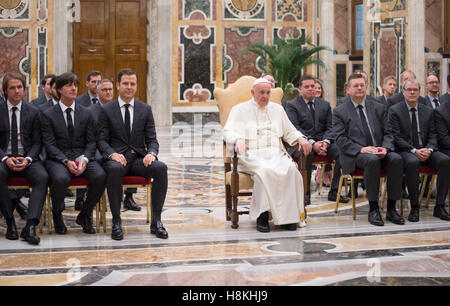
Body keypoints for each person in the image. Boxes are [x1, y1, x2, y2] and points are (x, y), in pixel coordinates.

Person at [223, 77, 312, 233]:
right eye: (261, 93)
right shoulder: (239, 110)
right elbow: (227, 131)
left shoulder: (277, 109)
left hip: (275, 152)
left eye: (268, 93)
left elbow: (289, 131)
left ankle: (288, 218)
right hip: (250, 153)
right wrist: (237, 139)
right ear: (252, 92)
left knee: (291, 170)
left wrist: (300, 138)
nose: (265, 96)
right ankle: (262, 216)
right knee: (264, 172)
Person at [98, 69, 168, 240]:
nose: (129, 87)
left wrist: (151, 153)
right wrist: (111, 154)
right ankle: (116, 221)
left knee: (160, 168)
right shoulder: (107, 109)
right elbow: (101, 140)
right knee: (113, 170)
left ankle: (157, 221)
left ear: (136, 86)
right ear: (118, 86)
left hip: (138, 159)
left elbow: (152, 139)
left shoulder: (145, 109)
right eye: (125, 84)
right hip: (117, 159)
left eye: (132, 84)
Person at [333, 73, 404, 226]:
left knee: (397, 159)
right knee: (371, 161)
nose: (359, 88)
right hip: (356, 155)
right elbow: (340, 139)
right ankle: (374, 209)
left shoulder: (378, 107)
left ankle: (391, 208)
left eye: (362, 85)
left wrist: (385, 148)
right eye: (355, 86)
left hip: (380, 151)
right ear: (348, 90)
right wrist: (362, 149)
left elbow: (389, 132)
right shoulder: (339, 111)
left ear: (366, 87)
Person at [41, 72, 106, 235]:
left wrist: (84, 158)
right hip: (57, 159)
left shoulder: (86, 113)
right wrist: (65, 161)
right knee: (61, 178)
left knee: (100, 175)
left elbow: (92, 141)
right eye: (69, 85)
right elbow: (49, 144)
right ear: (59, 90)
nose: (73, 88)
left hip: (81, 156)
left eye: (75, 85)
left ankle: (85, 214)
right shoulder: (48, 115)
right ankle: (57, 214)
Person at [388, 78, 450, 222]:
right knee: (412, 163)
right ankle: (414, 207)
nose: (412, 92)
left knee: (445, 161)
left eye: (415, 90)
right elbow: (396, 137)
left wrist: (429, 148)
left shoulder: (428, 111)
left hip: (427, 150)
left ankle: (439, 206)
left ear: (419, 92)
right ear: (403, 92)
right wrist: (414, 150)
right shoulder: (395, 111)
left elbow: (434, 134)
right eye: (409, 89)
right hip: (406, 151)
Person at [0, 73, 49, 244]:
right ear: (5, 91)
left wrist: (28, 159)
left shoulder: (33, 111)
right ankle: (10, 221)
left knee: (42, 177)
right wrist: (5, 158)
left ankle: (30, 225)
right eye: (12, 88)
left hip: (27, 158)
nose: (17, 91)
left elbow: (38, 142)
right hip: (4, 158)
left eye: (20, 87)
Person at [286, 75, 349, 205]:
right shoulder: (292, 105)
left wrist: (325, 142)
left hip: (323, 142)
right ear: (300, 89)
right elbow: (295, 128)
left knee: (342, 152)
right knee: (306, 152)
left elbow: (330, 127)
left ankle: (334, 191)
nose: (311, 89)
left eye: (313, 86)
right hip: (301, 143)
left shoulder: (324, 105)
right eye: (307, 87)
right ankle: (305, 194)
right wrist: (312, 143)